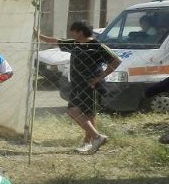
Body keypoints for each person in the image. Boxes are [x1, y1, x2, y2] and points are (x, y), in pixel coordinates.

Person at [37, 21, 122, 154]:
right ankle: (90, 142)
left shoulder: (97, 46)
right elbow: (54, 41)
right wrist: (39, 35)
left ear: (80, 32)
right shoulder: (75, 44)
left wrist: (99, 77)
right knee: (86, 114)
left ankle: (96, 137)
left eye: (73, 31)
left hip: (91, 85)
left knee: (76, 112)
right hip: (77, 85)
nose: (71, 34)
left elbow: (116, 61)